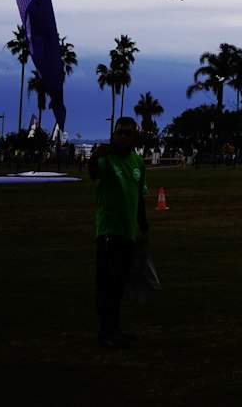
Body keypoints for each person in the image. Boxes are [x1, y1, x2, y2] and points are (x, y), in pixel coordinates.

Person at [88, 116, 149, 348]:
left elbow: (139, 198)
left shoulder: (137, 162)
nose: (123, 137)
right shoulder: (106, 158)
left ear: (135, 137)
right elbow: (94, 173)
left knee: (120, 284)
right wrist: (94, 157)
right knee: (107, 284)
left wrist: (144, 229)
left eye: (127, 133)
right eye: (119, 133)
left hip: (127, 233)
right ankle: (107, 332)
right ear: (114, 134)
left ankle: (114, 330)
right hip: (108, 231)